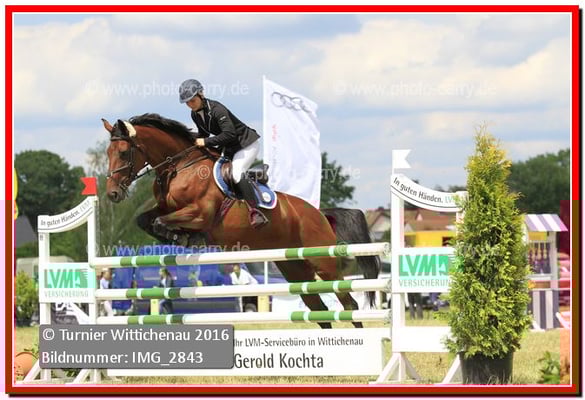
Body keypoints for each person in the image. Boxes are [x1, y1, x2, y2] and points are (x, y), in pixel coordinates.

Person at [179, 79, 268, 228]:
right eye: (187, 102)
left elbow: (229, 134)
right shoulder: (194, 114)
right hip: (229, 147)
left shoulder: (217, 109)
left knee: (236, 173)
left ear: (201, 94)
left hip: (245, 144)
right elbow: (203, 134)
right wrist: (185, 137)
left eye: (192, 100)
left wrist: (205, 142)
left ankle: (255, 211)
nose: (190, 104)